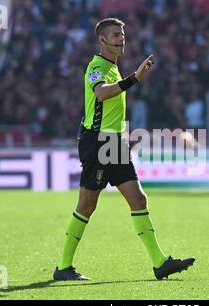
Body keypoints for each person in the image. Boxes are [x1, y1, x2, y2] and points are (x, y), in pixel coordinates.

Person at [53, 18, 195, 281]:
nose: (121, 38)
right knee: (87, 205)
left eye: (122, 34)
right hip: (97, 142)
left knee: (138, 199)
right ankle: (63, 267)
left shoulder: (112, 67)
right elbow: (101, 94)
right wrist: (135, 78)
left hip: (115, 142)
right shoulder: (96, 67)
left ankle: (160, 263)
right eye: (115, 35)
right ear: (102, 40)